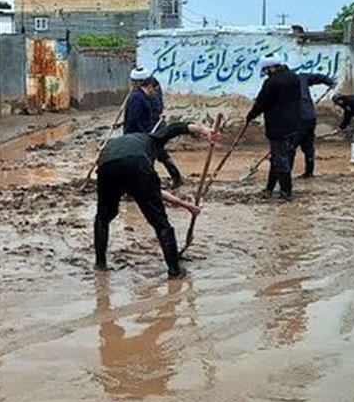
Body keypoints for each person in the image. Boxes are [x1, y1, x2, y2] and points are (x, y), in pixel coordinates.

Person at [94, 120, 221, 278]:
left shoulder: (122, 142)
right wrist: (206, 130)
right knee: (160, 222)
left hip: (106, 165)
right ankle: (175, 271)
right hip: (135, 163)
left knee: (103, 217)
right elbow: (176, 128)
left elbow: (153, 192)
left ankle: (100, 264)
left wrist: (186, 206)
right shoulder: (153, 139)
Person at [246, 54, 302, 200]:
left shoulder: (272, 82)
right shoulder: (293, 77)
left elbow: (261, 102)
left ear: (271, 67)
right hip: (294, 125)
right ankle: (270, 188)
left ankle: (286, 192)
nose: (266, 72)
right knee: (281, 157)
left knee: (280, 159)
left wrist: (251, 116)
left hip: (278, 126)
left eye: (266, 69)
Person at [295, 69, 337, 178]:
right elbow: (320, 77)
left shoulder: (287, 81)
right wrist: (330, 82)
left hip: (299, 117)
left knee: (290, 146)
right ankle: (309, 172)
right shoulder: (302, 77)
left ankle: (285, 177)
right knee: (308, 145)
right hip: (310, 116)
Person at [147, 75, 184, 188]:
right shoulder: (149, 92)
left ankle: (175, 177)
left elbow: (155, 111)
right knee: (158, 153)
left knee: (155, 153)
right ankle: (176, 177)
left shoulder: (153, 94)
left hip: (156, 127)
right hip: (153, 126)